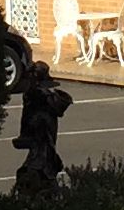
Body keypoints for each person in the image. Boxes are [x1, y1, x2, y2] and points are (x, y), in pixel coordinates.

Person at [4, 27, 75, 196]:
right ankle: (38, 187)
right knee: (38, 165)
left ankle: (40, 188)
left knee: (41, 164)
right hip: (39, 139)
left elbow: (58, 106)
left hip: (43, 141)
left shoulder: (39, 97)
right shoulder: (36, 96)